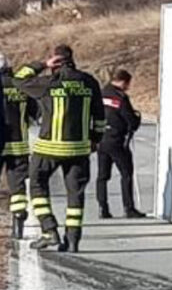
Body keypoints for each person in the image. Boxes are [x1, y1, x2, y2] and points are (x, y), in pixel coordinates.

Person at [14, 45, 105, 252]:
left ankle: (49, 230)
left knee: (37, 184)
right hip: (79, 149)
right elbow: (99, 117)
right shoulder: (89, 82)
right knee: (76, 194)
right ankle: (73, 240)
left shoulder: (48, 83)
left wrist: (42, 65)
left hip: (49, 148)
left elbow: (18, 79)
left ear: (55, 60)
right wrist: (95, 140)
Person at [97, 69, 145, 219]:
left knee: (102, 176)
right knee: (126, 174)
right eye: (128, 84)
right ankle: (128, 208)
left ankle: (102, 208)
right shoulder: (120, 98)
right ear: (123, 82)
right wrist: (137, 119)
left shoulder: (101, 94)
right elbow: (129, 119)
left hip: (101, 139)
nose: (128, 87)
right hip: (117, 141)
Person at [1, 53, 38, 239]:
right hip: (19, 143)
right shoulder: (20, 85)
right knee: (17, 186)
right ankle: (18, 220)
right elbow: (34, 113)